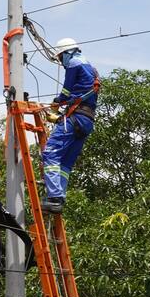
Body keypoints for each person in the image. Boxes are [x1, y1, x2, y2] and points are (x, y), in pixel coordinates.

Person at [40, 38, 99, 214]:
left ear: (67, 52)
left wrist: (57, 102)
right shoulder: (91, 68)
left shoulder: (74, 63)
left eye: (60, 57)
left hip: (76, 117)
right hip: (86, 120)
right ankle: (59, 198)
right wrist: (59, 118)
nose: (61, 61)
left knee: (50, 153)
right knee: (65, 162)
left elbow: (66, 92)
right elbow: (80, 93)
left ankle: (54, 197)